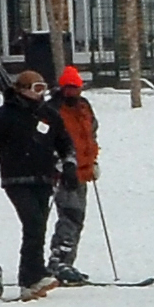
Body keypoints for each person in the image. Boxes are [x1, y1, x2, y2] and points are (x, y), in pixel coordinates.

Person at [0, 63, 73, 297]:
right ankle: (33, 275)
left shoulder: (48, 114)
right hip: (16, 179)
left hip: (43, 178)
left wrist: (70, 165)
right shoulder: (5, 115)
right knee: (32, 222)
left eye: (43, 87)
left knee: (38, 226)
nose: (40, 93)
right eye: (36, 87)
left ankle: (30, 279)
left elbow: (64, 142)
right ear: (22, 89)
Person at [46, 61, 102, 285]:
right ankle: (59, 261)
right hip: (62, 173)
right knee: (70, 215)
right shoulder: (52, 110)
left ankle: (66, 261)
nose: (73, 92)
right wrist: (57, 164)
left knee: (77, 218)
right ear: (62, 88)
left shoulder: (84, 107)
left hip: (83, 172)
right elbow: (48, 140)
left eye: (76, 88)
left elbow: (91, 135)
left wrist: (92, 162)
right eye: (69, 88)